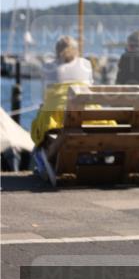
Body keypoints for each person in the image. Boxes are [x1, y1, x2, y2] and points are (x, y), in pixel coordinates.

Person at [30, 36, 96, 184]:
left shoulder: (48, 66)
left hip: (58, 118)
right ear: (77, 49)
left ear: (56, 51)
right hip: (89, 116)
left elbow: (45, 97)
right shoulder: (86, 64)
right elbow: (90, 87)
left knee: (42, 122)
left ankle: (44, 156)